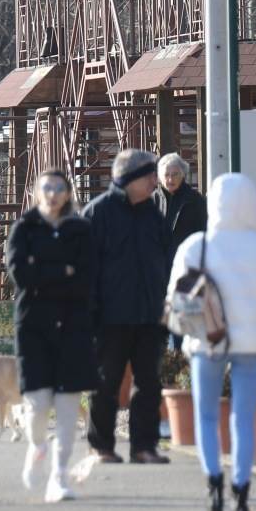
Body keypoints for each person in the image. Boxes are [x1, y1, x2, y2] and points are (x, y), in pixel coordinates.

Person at [167, 171, 256, 511]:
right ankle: (241, 490)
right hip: (254, 344)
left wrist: (186, 333)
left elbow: (174, 301)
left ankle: (213, 482)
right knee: (244, 417)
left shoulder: (195, 246)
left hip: (206, 342)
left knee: (206, 416)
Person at [6, 168, 98, 503]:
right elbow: (20, 273)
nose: (53, 193)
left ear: (68, 193)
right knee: (38, 405)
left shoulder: (81, 230)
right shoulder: (24, 229)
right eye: (47, 187)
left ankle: (59, 476)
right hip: (33, 325)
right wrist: (63, 271)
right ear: (36, 192)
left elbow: (87, 275)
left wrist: (46, 272)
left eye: (60, 187)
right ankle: (37, 445)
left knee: (68, 404)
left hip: (74, 324)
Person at [81, 147, 172, 465]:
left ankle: (143, 447)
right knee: (106, 383)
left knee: (149, 383)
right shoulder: (97, 213)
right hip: (109, 318)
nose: (154, 181)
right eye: (149, 175)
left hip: (150, 315)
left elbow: (164, 261)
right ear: (129, 178)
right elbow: (84, 270)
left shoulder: (153, 214)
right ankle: (101, 445)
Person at [157, 153, 207, 263]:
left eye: (175, 174)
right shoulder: (152, 200)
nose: (170, 179)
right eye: (166, 175)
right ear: (160, 177)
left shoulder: (194, 200)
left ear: (183, 175)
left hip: (186, 263)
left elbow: (203, 233)